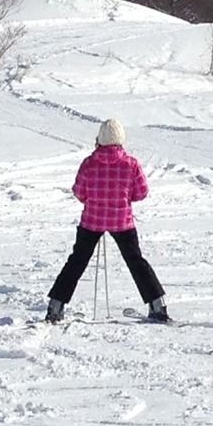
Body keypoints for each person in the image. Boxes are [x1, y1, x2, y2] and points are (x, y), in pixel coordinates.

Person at [45, 119, 169, 323]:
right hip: (122, 222)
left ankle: (55, 306)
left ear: (99, 139)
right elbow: (141, 192)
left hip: (91, 221)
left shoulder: (88, 163)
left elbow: (79, 191)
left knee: (77, 261)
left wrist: (93, 199)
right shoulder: (131, 164)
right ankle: (157, 305)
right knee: (136, 261)